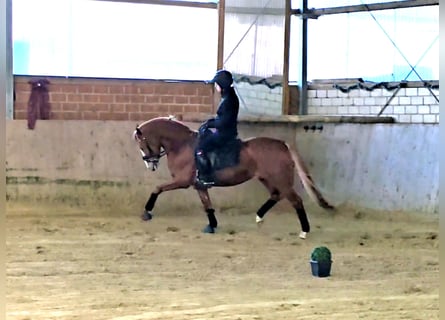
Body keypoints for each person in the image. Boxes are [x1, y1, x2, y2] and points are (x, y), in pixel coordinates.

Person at [195, 69, 240, 187]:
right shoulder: (228, 97)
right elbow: (222, 118)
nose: (215, 86)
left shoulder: (228, 101)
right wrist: (209, 122)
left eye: (216, 84)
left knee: (200, 148)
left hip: (225, 134)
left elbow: (224, 122)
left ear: (221, 85)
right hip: (225, 131)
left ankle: (206, 177)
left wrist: (210, 124)